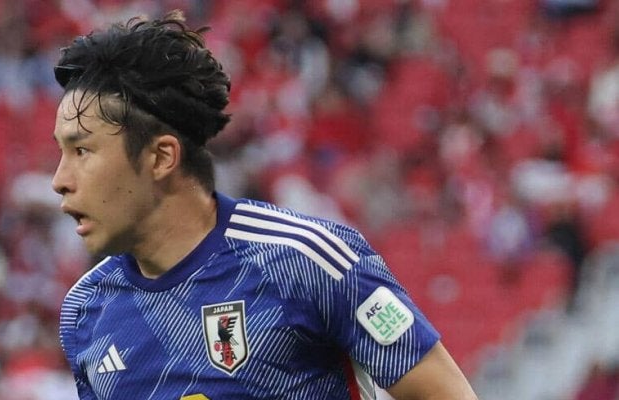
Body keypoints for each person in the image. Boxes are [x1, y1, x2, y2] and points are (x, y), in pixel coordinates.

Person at [51, 11, 478, 400]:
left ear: (161, 157)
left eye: (82, 151)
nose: (59, 180)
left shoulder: (304, 261)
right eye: (61, 153)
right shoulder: (86, 311)